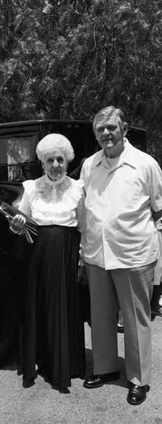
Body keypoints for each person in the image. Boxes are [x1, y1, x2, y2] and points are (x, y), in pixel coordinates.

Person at [79, 106, 162, 405]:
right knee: (100, 317)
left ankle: (138, 379)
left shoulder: (145, 164)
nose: (105, 133)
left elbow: (159, 210)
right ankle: (105, 369)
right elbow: (84, 205)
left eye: (111, 127)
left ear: (124, 128)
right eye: (100, 129)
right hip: (97, 255)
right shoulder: (89, 165)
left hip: (134, 255)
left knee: (135, 319)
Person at [10, 133, 86, 391]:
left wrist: (82, 260)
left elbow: (84, 227)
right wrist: (17, 225)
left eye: (60, 159)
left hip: (66, 255)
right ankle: (41, 359)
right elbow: (21, 223)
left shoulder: (78, 188)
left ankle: (66, 364)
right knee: (40, 305)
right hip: (38, 254)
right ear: (42, 163)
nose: (56, 164)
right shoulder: (31, 187)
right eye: (50, 160)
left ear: (67, 162)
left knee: (63, 306)